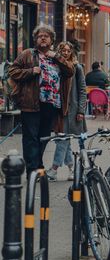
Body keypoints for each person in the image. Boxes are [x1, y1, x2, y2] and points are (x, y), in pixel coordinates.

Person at [8, 25, 74, 174]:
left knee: (43, 137)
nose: (43, 38)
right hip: (30, 103)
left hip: (51, 105)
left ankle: (38, 165)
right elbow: (12, 71)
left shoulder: (57, 57)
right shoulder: (28, 54)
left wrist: (56, 56)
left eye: (46, 36)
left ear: (51, 40)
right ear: (35, 40)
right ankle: (34, 170)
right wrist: (31, 71)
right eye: (39, 36)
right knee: (31, 138)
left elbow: (70, 71)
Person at [47, 42, 87, 181]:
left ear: (72, 52)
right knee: (65, 140)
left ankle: (53, 169)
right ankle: (71, 169)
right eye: (62, 50)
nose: (65, 53)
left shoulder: (77, 68)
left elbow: (82, 90)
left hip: (72, 110)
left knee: (63, 139)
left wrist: (81, 110)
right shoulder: (55, 67)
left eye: (68, 50)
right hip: (58, 109)